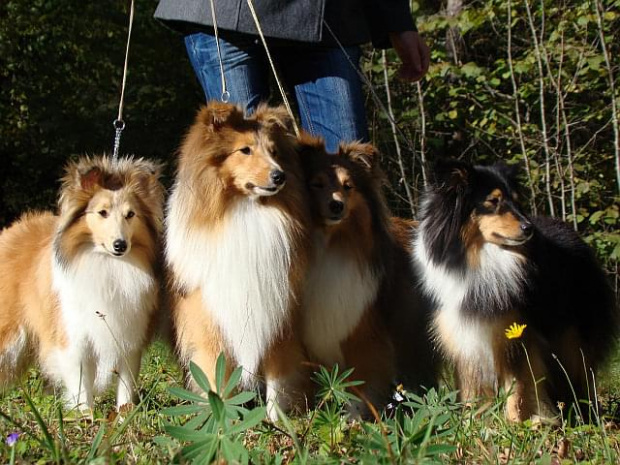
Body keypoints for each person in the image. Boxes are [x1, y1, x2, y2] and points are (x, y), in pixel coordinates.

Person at [154, 0, 430, 152]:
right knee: (245, 166)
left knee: (348, 172)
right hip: (224, 14)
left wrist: (397, 20)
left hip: (329, 20)